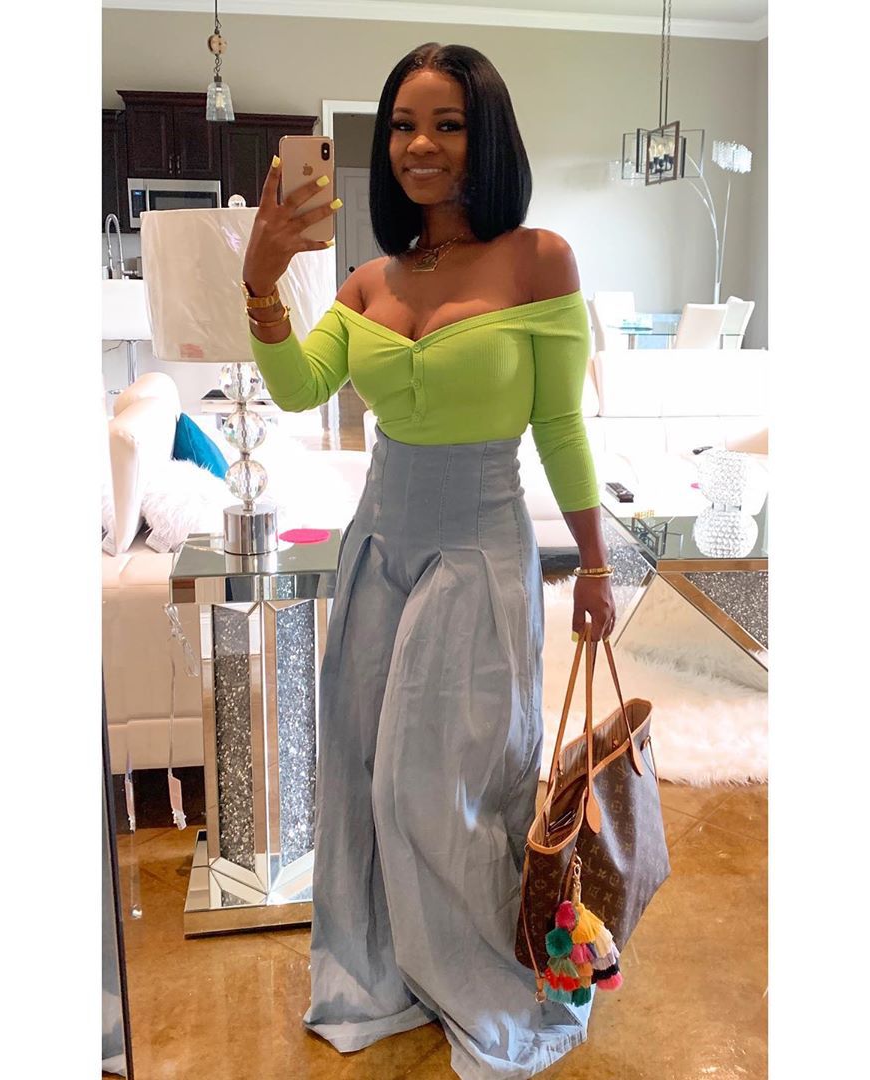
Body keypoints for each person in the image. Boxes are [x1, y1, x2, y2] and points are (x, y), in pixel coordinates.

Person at [242, 41, 616, 1080]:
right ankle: (384, 969)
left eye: (447, 124)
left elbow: (560, 428)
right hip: (377, 549)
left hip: (476, 549)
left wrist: (593, 565)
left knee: (437, 782)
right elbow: (298, 389)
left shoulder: (539, 260)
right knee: (363, 771)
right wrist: (262, 285)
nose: (420, 144)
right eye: (403, 124)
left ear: (484, 137)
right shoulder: (370, 280)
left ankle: (476, 972)